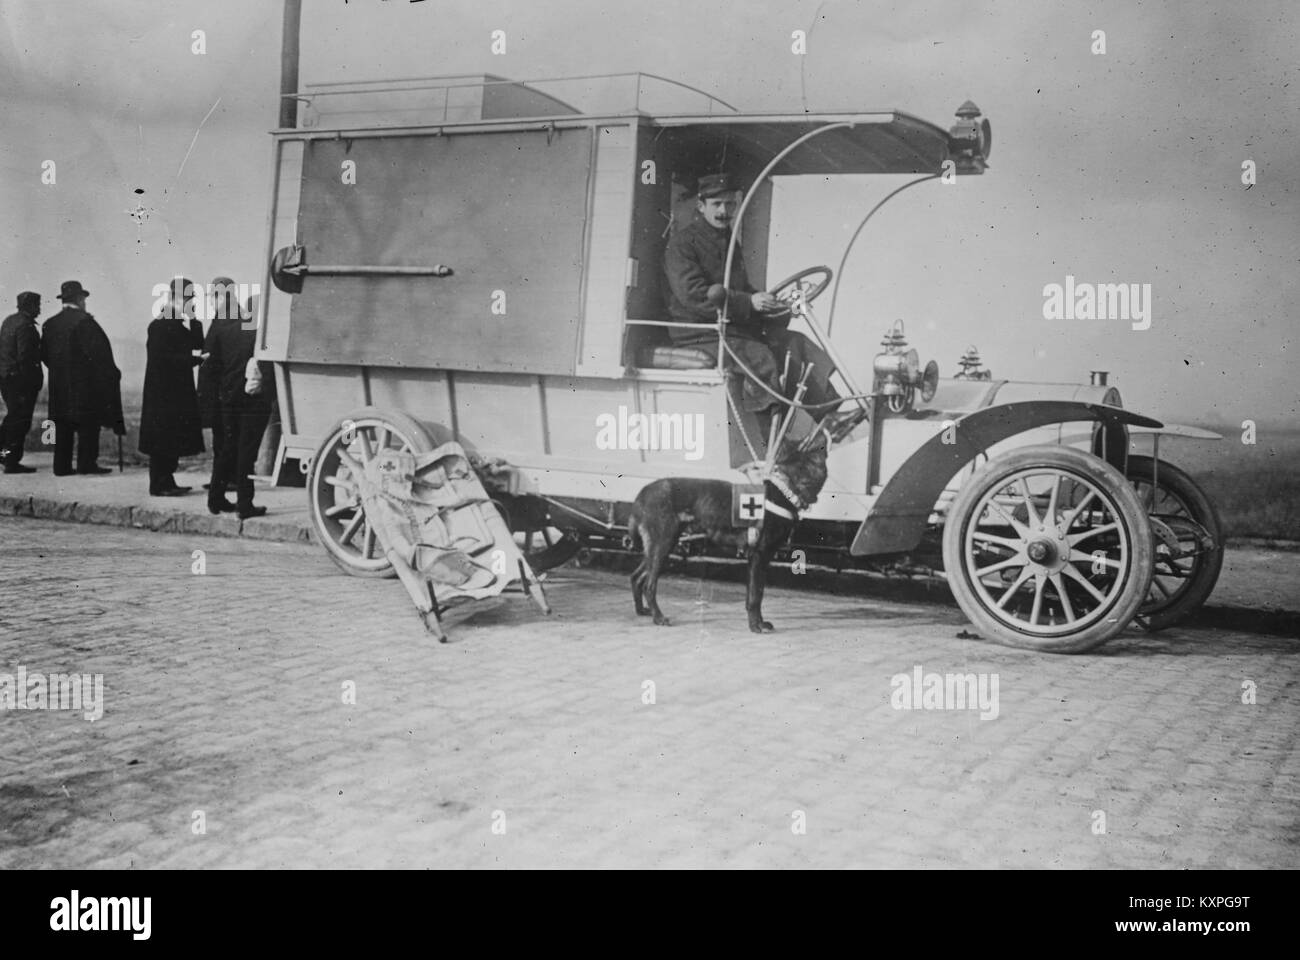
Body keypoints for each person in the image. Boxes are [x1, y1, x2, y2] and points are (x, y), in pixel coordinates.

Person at [662, 172, 841, 413]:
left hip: (729, 331)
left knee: (795, 343)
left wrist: (771, 304)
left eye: (729, 204)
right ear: (701, 205)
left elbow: (742, 290)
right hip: (698, 335)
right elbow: (694, 295)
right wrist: (750, 302)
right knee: (760, 357)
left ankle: (830, 416)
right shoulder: (682, 245)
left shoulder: (728, 242)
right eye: (717, 204)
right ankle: (770, 441)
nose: (724, 211)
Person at [40, 280, 125, 476]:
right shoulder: (85, 322)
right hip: (85, 386)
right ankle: (87, 464)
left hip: (58, 386)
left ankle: (61, 466)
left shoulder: (49, 324)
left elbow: (44, 355)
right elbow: (100, 357)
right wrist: (111, 374)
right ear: (80, 299)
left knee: (62, 425)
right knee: (88, 424)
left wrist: (60, 371)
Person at [206, 290, 271, 519]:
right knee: (247, 452)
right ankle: (245, 505)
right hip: (253, 402)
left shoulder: (228, 330)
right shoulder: (263, 334)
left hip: (228, 399)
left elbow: (212, 364)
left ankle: (215, 499)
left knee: (227, 448)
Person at [138, 277, 204, 496]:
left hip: (172, 395)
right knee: (162, 443)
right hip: (163, 397)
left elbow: (197, 343)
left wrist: (194, 318)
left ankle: (167, 481)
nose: (190, 302)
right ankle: (159, 485)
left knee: (170, 441)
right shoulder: (160, 325)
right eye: (187, 298)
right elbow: (164, 360)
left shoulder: (175, 323)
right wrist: (193, 361)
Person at [0, 291, 44, 474]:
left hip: (6, 379)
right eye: (37, 305)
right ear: (30, 306)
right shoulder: (26, 326)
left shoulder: (9, 321)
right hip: (21, 382)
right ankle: (10, 461)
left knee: (12, 417)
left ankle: (4, 455)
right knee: (20, 421)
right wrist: (31, 383)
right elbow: (25, 357)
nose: (39, 309)